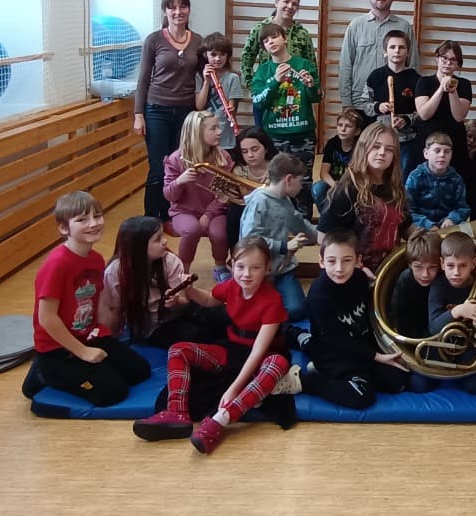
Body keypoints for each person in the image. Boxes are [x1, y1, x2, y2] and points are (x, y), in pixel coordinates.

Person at [132, 237, 292, 455]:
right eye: (241, 267)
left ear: (267, 268)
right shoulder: (232, 286)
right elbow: (209, 300)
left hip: (263, 356)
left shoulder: (272, 300)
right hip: (233, 350)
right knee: (179, 349)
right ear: (231, 265)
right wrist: (189, 290)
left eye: (255, 268)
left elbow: (258, 352)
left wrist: (234, 388)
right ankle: (176, 413)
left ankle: (220, 420)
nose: (246, 274)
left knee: (277, 364)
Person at [21, 192, 151, 406]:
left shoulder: (96, 259)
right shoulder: (57, 264)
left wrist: (106, 335)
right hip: (57, 348)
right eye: (82, 219)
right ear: (64, 228)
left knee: (139, 372)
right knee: (113, 392)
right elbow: (47, 318)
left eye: (97, 216)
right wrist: (82, 352)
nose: (93, 223)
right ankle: (43, 372)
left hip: (88, 335)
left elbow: (96, 302)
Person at [294, 230, 409, 408]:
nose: (339, 268)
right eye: (332, 261)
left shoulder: (360, 279)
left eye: (347, 260)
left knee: (398, 381)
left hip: (359, 346)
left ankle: (304, 340)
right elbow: (337, 341)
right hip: (333, 352)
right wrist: (377, 357)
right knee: (361, 396)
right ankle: (306, 380)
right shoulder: (318, 296)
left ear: (358, 260)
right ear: (321, 262)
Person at [134, 0, 203, 222]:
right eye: (172, 7)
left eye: (183, 6)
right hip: (156, 111)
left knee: (179, 166)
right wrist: (139, 114)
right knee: (158, 168)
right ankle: (151, 219)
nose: (178, 12)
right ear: (165, 11)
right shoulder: (154, 40)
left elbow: (207, 76)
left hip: (186, 112)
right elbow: (143, 79)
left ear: (189, 10)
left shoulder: (198, 41)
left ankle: (171, 215)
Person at [101, 216, 220, 348]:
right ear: (138, 246)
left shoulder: (170, 261)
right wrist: (112, 342)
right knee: (198, 335)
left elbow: (184, 302)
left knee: (221, 317)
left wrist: (176, 302)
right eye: (157, 239)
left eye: (162, 236)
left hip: (179, 312)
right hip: (154, 327)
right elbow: (116, 310)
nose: (165, 241)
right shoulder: (115, 272)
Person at [318, 123, 411, 273]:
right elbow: (323, 238)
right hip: (352, 272)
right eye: (376, 146)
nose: (382, 153)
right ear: (363, 148)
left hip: (388, 270)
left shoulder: (396, 189)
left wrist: (430, 239)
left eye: (389, 149)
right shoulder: (345, 189)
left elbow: (406, 227)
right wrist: (355, 265)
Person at [251, 21, 321, 217]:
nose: (271, 42)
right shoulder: (263, 71)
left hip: (303, 135)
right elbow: (258, 102)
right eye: (266, 41)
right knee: (277, 181)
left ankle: (304, 221)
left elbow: (317, 97)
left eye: (274, 37)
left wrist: (310, 85)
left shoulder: (303, 65)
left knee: (303, 182)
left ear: (285, 39)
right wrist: (274, 81)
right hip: (274, 136)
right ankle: (279, 220)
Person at [240, 153, 318, 321]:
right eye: (300, 182)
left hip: (282, 268)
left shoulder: (285, 200)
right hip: (257, 270)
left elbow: (299, 224)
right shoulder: (259, 201)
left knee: (297, 309)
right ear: (289, 179)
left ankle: (271, 316)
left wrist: (322, 235)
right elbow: (250, 239)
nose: (301, 187)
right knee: (254, 311)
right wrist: (284, 246)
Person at [414, 40, 476, 219]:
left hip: (455, 142)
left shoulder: (464, 84)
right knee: (423, 183)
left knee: (472, 186)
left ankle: (471, 225)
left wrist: (452, 91)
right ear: (437, 58)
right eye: (444, 58)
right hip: (428, 140)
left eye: (453, 60)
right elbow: (424, 114)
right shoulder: (424, 82)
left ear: (458, 64)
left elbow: (459, 116)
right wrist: (441, 89)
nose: (447, 63)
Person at [162, 110, 232, 280]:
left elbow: (224, 194)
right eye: (213, 128)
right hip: (183, 211)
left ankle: (220, 266)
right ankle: (183, 271)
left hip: (215, 211)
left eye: (218, 127)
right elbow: (169, 195)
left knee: (219, 233)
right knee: (191, 230)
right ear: (197, 133)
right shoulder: (176, 159)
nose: (219, 131)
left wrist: (209, 214)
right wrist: (180, 181)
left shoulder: (223, 157)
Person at [427, 232, 476, 394]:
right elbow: (433, 328)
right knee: (420, 384)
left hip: (470, 346)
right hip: (442, 344)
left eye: (463, 265)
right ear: (442, 263)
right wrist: (458, 310)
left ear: (473, 263)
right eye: (450, 266)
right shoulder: (439, 285)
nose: (456, 272)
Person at [241, 0, 316, 128]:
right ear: (276, 3)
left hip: (294, 96)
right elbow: (246, 60)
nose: (290, 6)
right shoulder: (260, 29)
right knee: (263, 137)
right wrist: (255, 88)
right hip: (267, 94)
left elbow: (312, 64)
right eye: (286, 2)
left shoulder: (302, 33)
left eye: (294, 4)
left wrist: (310, 86)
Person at [340, 0, 413, 111]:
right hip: (360, 102)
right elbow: (345, 66)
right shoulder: (355, 26)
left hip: (395, 102)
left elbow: (412, 65)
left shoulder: (404, 27)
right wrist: (346, 103)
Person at [360, 29, 421, 175]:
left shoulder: (416, 79)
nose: (397, 51)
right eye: (392, 47)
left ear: (408, 52)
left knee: (403, 174)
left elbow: (422, 112)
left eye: (401, 47)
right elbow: (364, 105)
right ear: (385, 52)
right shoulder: (376, 76)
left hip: (406, 139)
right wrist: (377, 107)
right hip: (380, 138)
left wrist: (407, 119)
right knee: (379, 174)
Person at [388, 230, 442, 394]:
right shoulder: (404, 280)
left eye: (432, 267)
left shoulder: (447, 277)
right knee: (419, 385)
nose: (425, 274)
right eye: (418, 267)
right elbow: (397, 320)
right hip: (415, 340)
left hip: (441, 338)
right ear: (410, 264)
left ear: (441, 263)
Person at [405, 131, 470, 231]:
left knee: (467, 232)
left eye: (447, 151)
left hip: (448, 226)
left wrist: (452, 219)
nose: (442, 155)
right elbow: (407, 210)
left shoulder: (456, 179)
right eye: (437, 151)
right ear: (426, 153)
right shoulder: (416, 177)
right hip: (421, 226)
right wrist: (429, 225)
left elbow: (462, 208)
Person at [225, 127, 277, 249]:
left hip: (271, 209)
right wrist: (225, 196)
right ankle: (237, 252)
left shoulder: (277, 168)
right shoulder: (238, 170)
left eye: (255, 149)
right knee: (234, 213)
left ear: (266, 148)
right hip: (245, 209)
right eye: (244, 151)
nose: (250, 155)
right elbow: (236, 197)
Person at [194, 32, 243, 153]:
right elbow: (199, 106)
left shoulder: (233, 77)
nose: (218, 58)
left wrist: (231, 108)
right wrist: (206, 82)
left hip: (226, 135)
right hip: (205, 134)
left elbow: (232, 109)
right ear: (205, 55)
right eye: (213, 54)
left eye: (222, 54)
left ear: (227, 55)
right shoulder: (199, 77)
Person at [312, 108, 364, 216]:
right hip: (334, 185)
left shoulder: (360, 147)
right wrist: (335, 186)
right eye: (340, 125)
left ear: (357, 131)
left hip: (352, 186)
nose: (343, 129)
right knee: (318, 187)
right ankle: (327, 217)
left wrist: (344, 188)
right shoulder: (332, 143)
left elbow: (360, 176)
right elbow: (324, 173)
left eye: (348, 126)